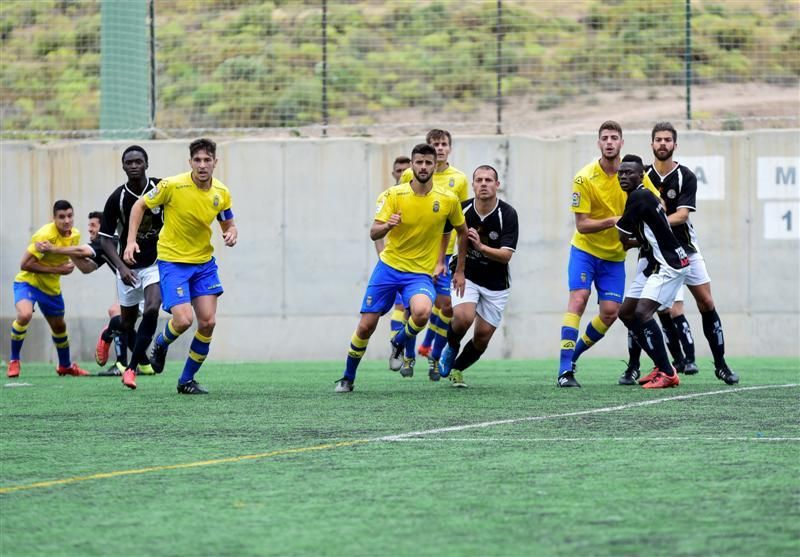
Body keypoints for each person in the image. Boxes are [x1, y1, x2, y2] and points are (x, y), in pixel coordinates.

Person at [334, 143, 468, 393]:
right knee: (366, 326)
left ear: (435, 165)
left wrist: (458, 269)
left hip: (419, 274)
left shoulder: (447, 199)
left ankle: (399, 342)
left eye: (428, 162)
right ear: (413, 165)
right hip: (388, 268)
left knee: (422, 311)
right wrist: (387, 226)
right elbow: (374, 231)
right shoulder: (394, 195)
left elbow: (461, 232)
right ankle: (347, 377)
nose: (424, 167)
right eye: (419, 162)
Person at [620, 123, 739, 386]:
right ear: (651, 144)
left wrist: (656, 219)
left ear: (675, 144)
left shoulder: (685, 176)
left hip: (685, 249)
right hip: (651, 254)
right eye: (658, 140)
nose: (662, 144)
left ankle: (720, 365)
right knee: (636, 309)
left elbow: (683, 215)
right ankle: (637, 367)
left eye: (667, 140)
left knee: (706, 303)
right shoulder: (641, 175)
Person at [123, 138, 237, 395]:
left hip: (203, 264)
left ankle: (186, 380)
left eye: (207, 160)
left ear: (215, 163)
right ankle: (161, 344)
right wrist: (130, 242)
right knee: (184, 320)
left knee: (207, 323)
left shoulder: (221, 192)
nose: (202, 165)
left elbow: (228, 223)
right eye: (197, 160)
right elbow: (139, 205)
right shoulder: (172, 185)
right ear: (190, 163)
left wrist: (231, 233)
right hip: (173, 261)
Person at [557, 121, 660, 388]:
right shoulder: (584, 178)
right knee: (578, 300)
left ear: (622, 143)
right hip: (585, 250)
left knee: (610, 313)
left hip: (615, 256)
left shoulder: (637, 174)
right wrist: (616, 220)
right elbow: (582, 224)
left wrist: (636, 236)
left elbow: (657, 205)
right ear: (599, 143)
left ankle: (574, 355)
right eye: (605, 138)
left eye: (615, 137)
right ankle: (564, 370)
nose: (610, 142)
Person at [438, 165, 519, 387]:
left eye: (489, 180)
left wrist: (481, 247)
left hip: (496, 282)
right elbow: (449, 235)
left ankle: (458, 369)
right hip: (467, 274)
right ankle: (451, 346)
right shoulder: (462, 209)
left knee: (482, 338)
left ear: (497, 185)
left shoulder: (508, 214)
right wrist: (456, 270)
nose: (484, 184)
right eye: (479, 180)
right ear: (472, 184)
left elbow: (505, 256)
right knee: (463, 317)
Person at [398, 130, 469, 380]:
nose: (439, 148)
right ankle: (407, 353)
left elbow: (459, 220)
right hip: (415, 256)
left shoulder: (458, 179)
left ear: (450, 148)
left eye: (443, 144)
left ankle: (434, 355)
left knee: (447, 306)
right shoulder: (409, 175)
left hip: (445, 254)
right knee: (413, 307)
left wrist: (458, 262)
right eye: (435, 144)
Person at [615, 154, 689, 389]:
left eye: (629, 173)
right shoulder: (644, 197)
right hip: (655, 263)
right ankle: (661, 364)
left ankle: (668, 372)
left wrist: (628, 240)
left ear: (641, 175)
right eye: (621, 173)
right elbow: (651, 233)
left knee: (643, 313)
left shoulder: (638, 196)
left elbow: (621, 236)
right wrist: (638, 241)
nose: (624, 176)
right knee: (626, 313)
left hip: (669, 264)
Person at [35, 211, 131, 376]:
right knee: (122, 315)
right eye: (89, 226)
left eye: (93, 226)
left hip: (146, 284)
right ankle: (141, 363)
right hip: (137, 286)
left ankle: (109, 338)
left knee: (118, 314)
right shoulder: (107, 245)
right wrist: (69, 250)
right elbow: (87, 268)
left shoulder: (107, 240)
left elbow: (82, 251)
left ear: (103, 226)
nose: (90, 230)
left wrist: (54, 248)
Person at [99, 145, 164, 390]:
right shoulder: (118, 197)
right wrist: (121, 269)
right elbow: (105, 239)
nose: (134, 166)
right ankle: (109, 332)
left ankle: (131, 368)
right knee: (126, 324)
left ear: (147, 164)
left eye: (139, 161)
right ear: (123, 166)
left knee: (152, 308)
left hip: (156, 263)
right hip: (129, 266)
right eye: (129, 162)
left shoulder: (161, 189)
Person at [7, 200, 90, 378]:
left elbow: (75, 257)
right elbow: (24, 264)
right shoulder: (44, 235)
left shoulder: (74, 235)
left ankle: (65, 366)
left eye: (70, 216)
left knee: (59, 326)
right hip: (28, 282)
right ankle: (14, 361)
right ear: (54, 218)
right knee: (24, 315)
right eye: (62, 217)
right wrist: (57, 270)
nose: (67, 221)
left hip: (51, 287)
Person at [375, 156, 412, 345]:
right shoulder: (388, 197)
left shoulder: (420, 196)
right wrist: (382, 259)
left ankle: (407, 349)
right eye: (399, 171)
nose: (403, 174)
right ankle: (397, 345)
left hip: (417, 263)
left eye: (407, 170)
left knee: (414, 310)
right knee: (399, 305)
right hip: (393, 262)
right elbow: (377, 231)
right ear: (393, 173)